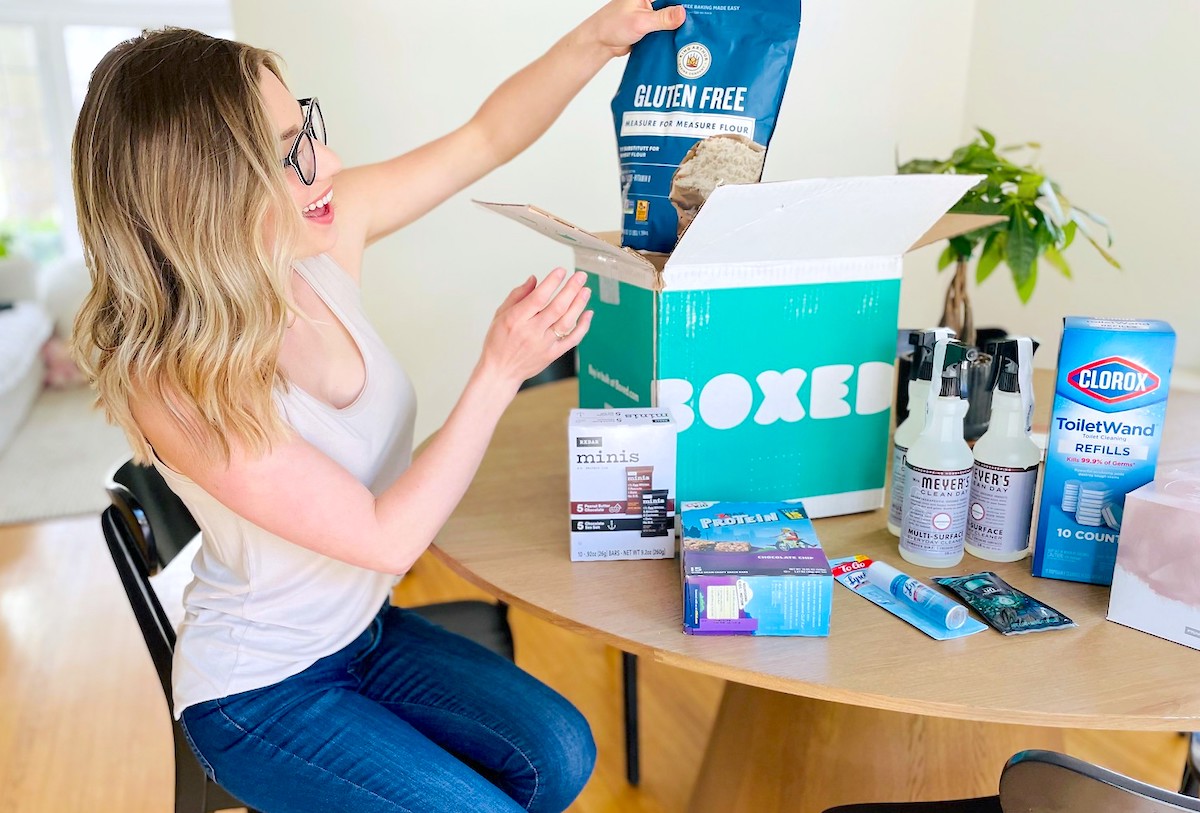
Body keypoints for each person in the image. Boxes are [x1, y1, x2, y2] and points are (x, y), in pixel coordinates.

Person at [69, 3, 685, 811]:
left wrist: (592, 44)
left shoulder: (314, 241)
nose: (324, 163)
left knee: (559, 754)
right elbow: (384, 537)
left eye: (307, 130)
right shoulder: (177, 382)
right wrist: (500, 370)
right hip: (260, 695)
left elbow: (484, 138)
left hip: (362, 634)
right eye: (286, 156)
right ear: (205, 196)